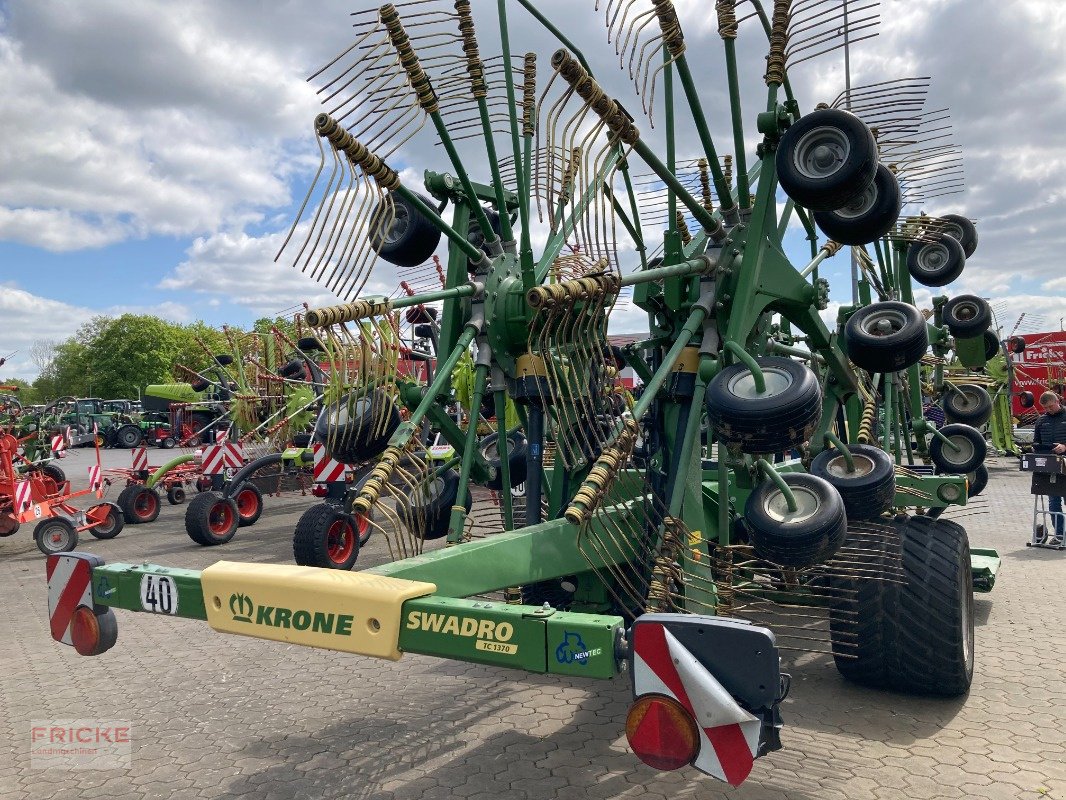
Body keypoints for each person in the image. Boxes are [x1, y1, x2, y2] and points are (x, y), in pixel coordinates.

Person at [1033, 390, 1066, 543]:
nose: (1048, 410)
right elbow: (1036, 442)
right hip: (1050, 466)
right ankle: (1059, 536)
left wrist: (1064, 447)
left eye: (1051, 407)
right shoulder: (1041, 420)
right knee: (1053, 502)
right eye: (1046, 408)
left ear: (1057, 402)